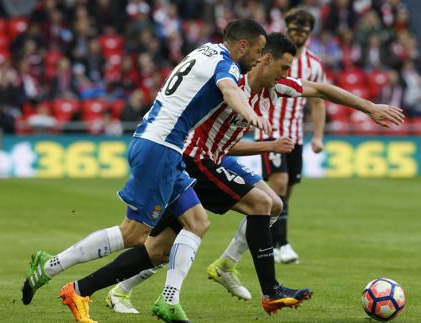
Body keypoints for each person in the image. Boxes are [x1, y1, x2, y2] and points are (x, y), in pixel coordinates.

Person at [98, 32, 402, 317]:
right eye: (283, 67)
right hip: (194, 161)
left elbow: (319, 89)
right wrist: (261, 134)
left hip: (214, 160)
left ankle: (109, 289)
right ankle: (268, 289)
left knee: (161, 247)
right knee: (258, 206)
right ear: (265, 59)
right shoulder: (232, 83)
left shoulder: (276, 87)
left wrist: (368, 106)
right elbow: (216, 112)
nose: (286, 76)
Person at [21, 18, 269, 323]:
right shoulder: (227, 65)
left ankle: (169, 301)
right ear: (242, 45)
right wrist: (251, 114)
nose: (259, 58)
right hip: (160, 148)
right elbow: (229, 90)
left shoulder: (205, 50)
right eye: (257, 51)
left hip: (163, 146)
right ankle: (55, 271)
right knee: (134, 234)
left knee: (197, 222)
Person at [258, 7, 327, 264]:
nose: (299, 34)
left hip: (296, 135)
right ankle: (282, 244)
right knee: (279, 183)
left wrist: (318, 136)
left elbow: (318, 102)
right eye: (295, 29)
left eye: (304, 31)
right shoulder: (273, 57)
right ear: (287, 29)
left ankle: (272, 240)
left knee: (287, 191)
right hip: (271, 131)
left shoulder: (314, 65)